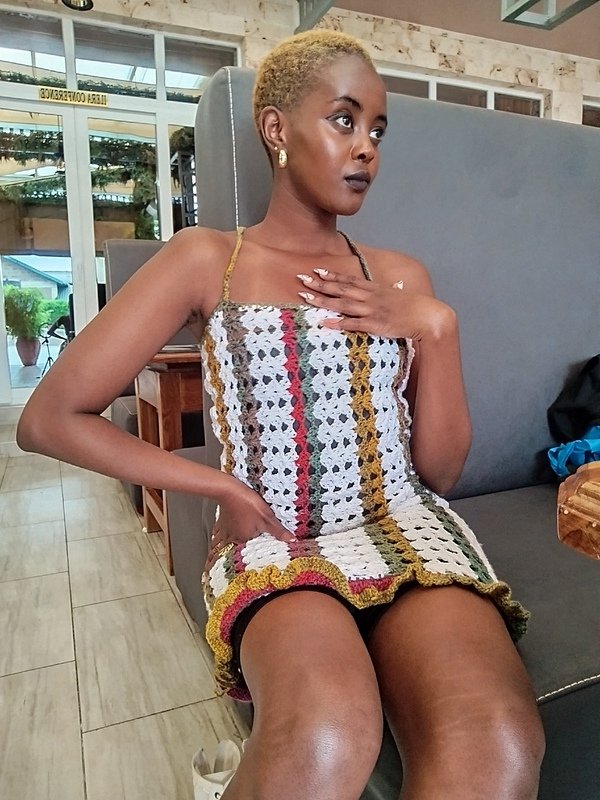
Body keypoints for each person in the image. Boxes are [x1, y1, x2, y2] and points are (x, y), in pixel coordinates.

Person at [18, 29, 545, 800]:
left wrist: (438, 328)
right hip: (277, 534)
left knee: (497, 744)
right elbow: (50, 418)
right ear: (276, 129)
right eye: (344, 119)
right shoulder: (209, 259)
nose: (366, 148)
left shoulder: (399, 277)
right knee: (326, 736)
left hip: (403, 523)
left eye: (377, 130)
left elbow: (439, 471)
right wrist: (218, 487)